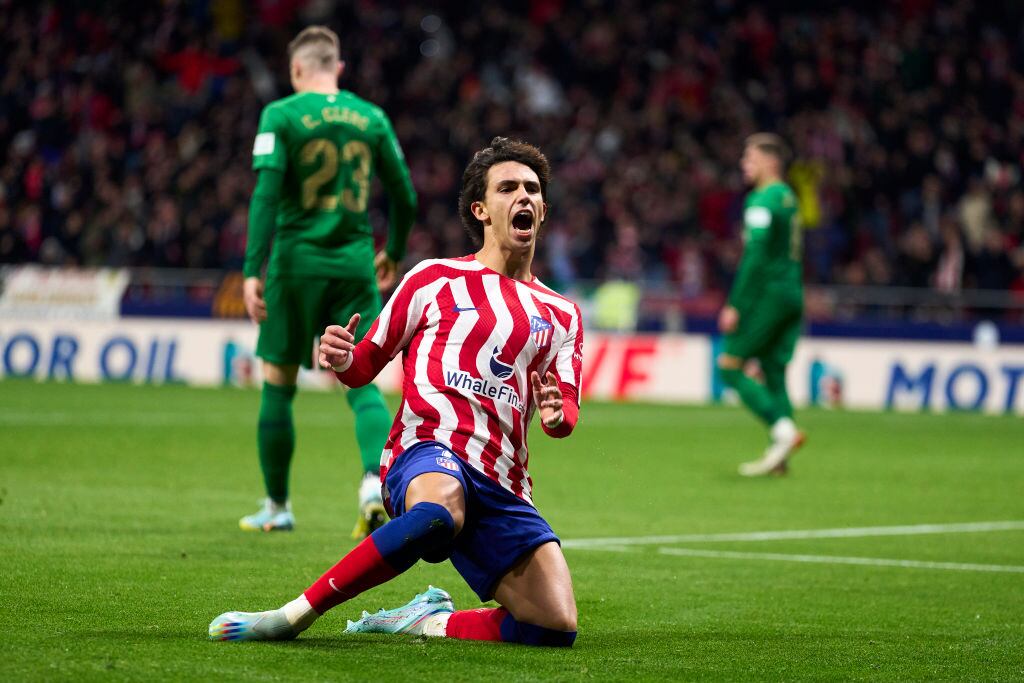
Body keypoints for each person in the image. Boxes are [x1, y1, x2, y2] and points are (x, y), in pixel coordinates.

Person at [209, 137, 583, 647]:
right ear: (482, 209)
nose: (524, 197)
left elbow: (565, 417)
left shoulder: (562, 313)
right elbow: (364, 366)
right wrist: (343, 357)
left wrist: (556, 414)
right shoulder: (433, 279)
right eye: (508, 187)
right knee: (436, 515)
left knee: (553, 626)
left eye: (533, 189)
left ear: (543, 209)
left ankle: (426, 619)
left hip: (504, 479)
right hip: (427, 450)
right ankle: (293, 615)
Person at [239, 26, 417, 537]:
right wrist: (395, 251)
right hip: (354, 265)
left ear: (297, 70)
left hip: (294, 266)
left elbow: (266, 197)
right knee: (360, 381)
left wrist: (253, 269)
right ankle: (373, 484)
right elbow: (404, 196)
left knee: (278, 385)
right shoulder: (372, 117)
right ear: (338, 68)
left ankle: (277, 505)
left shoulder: (281, 114)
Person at [717, 133, 805, 476]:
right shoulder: (788, 197)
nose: (744, 165)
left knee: (729, 365)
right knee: (772, 370)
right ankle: (780, 460)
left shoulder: (762, 199)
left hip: (769, 294)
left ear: (771, 162)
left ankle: (784, 430)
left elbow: (755, 255)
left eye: (750, 158)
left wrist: (736, 303)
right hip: (793, 291)